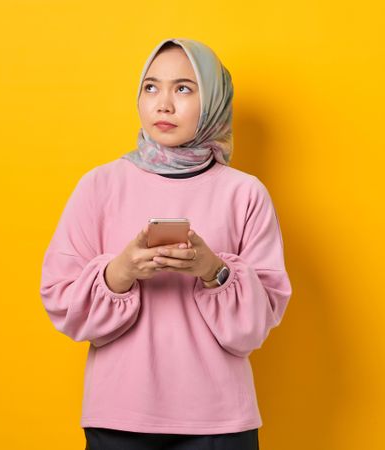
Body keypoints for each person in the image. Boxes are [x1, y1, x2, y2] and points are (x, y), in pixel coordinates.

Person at [39, 37, 292, 450]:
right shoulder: (100, 186)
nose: (164, 104)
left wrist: (214, 270)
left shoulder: (245, 193)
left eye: (184, 89)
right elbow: (59, 299)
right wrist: (120, 272)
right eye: (151, 87)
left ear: (213, 100)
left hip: (220, 421)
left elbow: (256, 326)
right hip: (119, 416)